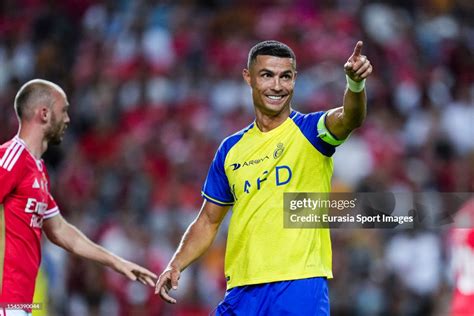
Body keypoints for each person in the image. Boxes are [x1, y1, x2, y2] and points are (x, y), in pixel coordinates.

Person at [155, 40, 372, 315]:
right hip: (242, 291)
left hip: (297, 286)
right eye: (267, 75)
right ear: (248, 77)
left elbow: (349, 118)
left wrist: (355, 84)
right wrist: (175, 263)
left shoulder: (310, 131)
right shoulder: (230, 150)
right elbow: (209, 220)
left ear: (295, 80)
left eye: (286, 76)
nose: (277, 86)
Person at [0, 79, 157, 316]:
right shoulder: (11, 157)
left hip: (20, 304)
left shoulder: (38, 170)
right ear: (44, 114)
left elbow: (62, 231)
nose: (67, 119)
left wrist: (116, 262)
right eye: (63, 110)